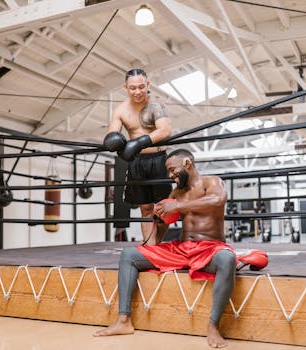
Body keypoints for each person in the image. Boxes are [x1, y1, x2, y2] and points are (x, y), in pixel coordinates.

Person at [93, 149, 237, 348]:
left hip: (210, 248)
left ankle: (213, 326)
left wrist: (178, 207)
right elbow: (160, 231)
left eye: (172, 170)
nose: (170, 176)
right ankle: (124, 320)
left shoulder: (211, 182)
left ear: (187, 163)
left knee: (227, 259)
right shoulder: (176, 193)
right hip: (182, 248)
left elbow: (217, 200)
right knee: (129, 255)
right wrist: (159, 220)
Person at [103, 68, 172, 244]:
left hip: (159, 160)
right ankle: (151, 248)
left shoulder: (156, 106)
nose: (138, 92)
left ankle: (156, 243)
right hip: (137, 162)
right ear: (126, 87)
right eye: (133, 88)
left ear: (147, 84)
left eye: (141, 87)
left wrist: (139, 142)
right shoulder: (120, 110)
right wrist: (115, 142)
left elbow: (165, 130)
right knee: (146, 209)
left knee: (166, 209)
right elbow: (112, 134)